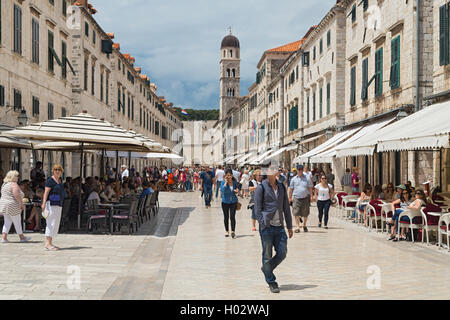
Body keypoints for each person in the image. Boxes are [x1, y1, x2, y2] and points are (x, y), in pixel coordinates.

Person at [254, 162, 293, 294]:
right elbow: (257, 209)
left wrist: (289, 226)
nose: (274, 171)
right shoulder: (262, 187)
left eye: (276, 169)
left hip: (279, 226)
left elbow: (286, 208)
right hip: (267, 226)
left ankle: (266, 268)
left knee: (282, 253)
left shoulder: (281, 187)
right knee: (267, 254)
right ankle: (271, 281)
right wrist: (262, 223)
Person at [0, 171, 31, 243]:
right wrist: (21, 204)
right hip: (13, 205)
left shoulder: (4, 184)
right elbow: (16, 195)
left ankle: (4, 238)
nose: (18, 178)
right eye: (17, 176)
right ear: (13, 177)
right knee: (17, 221)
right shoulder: (14, 184)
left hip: (4, 205)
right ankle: (22, 237)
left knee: (7, 221)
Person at [41, 164, 65, 251]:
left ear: (61, 171)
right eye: (56, 170)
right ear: (53, 171)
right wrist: (43, 204)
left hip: (58, 204)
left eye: (59, 170)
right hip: (51, 204)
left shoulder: (60, 180)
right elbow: (46, 192)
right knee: (50, 223)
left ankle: (50, 242)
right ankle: (47, 243)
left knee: (55, 223)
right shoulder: (50, 180)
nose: (57, 171)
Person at [289, 165, 313, 233]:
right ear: (296, 170)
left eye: (301, 169)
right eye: (299, 169)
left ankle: (304, 225)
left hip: (305, 198)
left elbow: (310, 188)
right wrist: (290, 197)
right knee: (296, 212)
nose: (300, 171)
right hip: (296, 198)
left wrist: (311, 196)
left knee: (305, 213)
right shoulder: (293, 179)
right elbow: (291, 189)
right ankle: (297, 227)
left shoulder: (307, 178)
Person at [220, 169, 240, 238]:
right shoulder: (222, 182)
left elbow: (237, 189)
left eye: (230, 175)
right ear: (225, 176)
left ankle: (233, 231)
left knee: (232, 217)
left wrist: (237, 191)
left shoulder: (235, 182)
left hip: (233, 202)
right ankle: (226, 231)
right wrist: (226, 182)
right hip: (225, 202)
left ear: (232, 175)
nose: (229, 176)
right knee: (226, 217)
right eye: (227, 175)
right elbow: (223, 191)